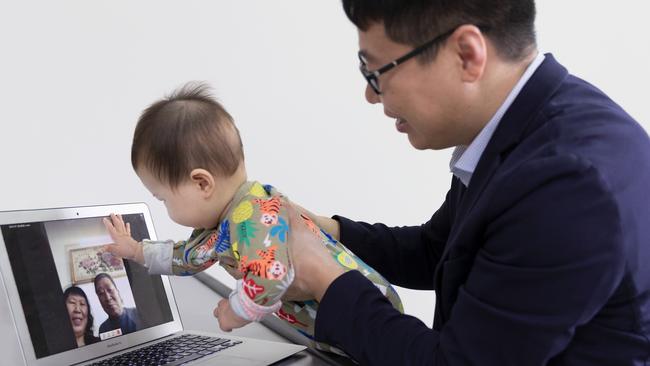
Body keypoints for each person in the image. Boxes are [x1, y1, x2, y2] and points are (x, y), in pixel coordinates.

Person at [279, 0, 650, 365]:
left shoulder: (567, 187)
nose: (371, 95)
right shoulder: (530, 122)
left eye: (376, 72)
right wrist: (321, 231)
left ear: (467, 54)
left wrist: (324, 279)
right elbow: (437, 250)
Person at [101, 83, 402, 354]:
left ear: (202, 183)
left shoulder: (254, 214)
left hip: (362, 318)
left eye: (163, 198)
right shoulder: (225, 220)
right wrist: (137, 250)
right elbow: (190, 257)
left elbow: (269, 277)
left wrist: (236, 311)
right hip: (332, 329)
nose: (165, 207)